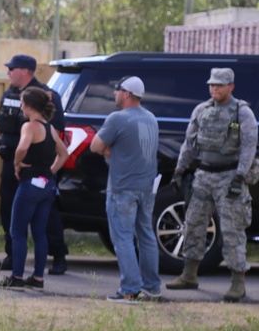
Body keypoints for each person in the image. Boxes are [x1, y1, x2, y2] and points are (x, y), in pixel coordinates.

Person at [167, 67, 256, 302]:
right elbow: (189, 144)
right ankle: (189, 274)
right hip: (203, 176)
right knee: (193, 224)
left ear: (231, 87)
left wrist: (239, 176)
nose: (214, 88)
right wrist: (179, 170)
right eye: (212, 84)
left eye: (220, 84)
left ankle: (238, 282)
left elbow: (249, 147)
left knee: (232, 230)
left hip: (230, 178)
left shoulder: (242, 113)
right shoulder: (201, 110)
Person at [0, 54, 69, 274]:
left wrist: (46, 166)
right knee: (8, 209)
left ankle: (59, 256)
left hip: (34, 165)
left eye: (11, 69)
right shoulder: (9, 93)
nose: (8, 72)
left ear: (24, 71)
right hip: (10, 162)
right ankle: (12, 256)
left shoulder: (45, 95)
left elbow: (57, 128)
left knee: (46, 215)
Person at [89, 75, 161, 303]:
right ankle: (152, 287)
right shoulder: (151, 118)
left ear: (127, 93)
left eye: (117, 90)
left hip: (122, 188)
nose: (114, 94)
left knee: (123, 238)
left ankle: (130, 289)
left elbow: (95, 146)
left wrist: (109, 150)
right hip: (147, 187)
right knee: (146, 236)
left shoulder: (117, 118)